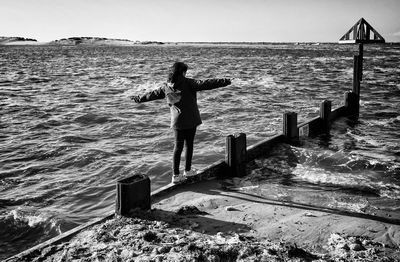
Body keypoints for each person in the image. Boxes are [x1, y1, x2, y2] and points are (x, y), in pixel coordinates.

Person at [131, 62, 231, 183]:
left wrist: (139, 99)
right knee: (189, 145)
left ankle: (175, 176)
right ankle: (187, 171)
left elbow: (152, 95)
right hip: (191, 119)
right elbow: (206, 83)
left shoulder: (166, 86)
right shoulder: (188, 82)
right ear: (182, 72)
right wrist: (224, 81)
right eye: (185, 71)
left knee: (177, 147)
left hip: (177, 122)